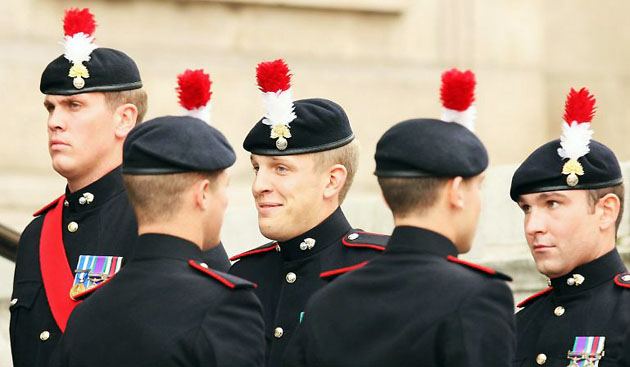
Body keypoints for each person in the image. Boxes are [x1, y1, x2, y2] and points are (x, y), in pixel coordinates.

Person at [8, 10, 228, 366]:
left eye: (74, 106)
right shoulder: (37, 234)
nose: (55, 122)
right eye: (50, 107)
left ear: (124, 119)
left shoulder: (162, 218)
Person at [284, 69, 515, 366]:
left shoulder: (328, 298)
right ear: (456, 191)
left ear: (386, 197)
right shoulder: (477, 296)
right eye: (477, 187)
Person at [51, 69, 265, 367]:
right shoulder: (224, 305)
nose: (225, 201)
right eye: (223, 189)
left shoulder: (87, 312)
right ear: (202, 193)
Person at [229, 59, 389, 366]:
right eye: (256, 168)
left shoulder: (379, 272)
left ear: (332, 180)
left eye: (281, 169)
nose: (259, 185)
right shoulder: (243, 276)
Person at [510, 87, 630, 366]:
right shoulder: (520, 323)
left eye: (552, 203)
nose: (532, 226)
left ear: (605, 210)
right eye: (526, 208)